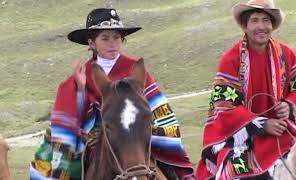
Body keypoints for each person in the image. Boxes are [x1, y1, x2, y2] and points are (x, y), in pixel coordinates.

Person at [30, 8, 195, 179]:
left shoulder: (135, 68)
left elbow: (157, 109)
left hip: (136, 133)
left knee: (170, 169)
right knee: (61, 162)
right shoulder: (83, 73)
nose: (112, 43)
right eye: (105, 38)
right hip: (98, 136)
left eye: (117, 37)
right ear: (92, 43)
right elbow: (71, 117)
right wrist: (79, 90)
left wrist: (150, 129)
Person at [196, 0, 296, 179]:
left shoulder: (286, 54)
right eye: (254, 20)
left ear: (272, 25)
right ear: (245, 26)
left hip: (281, 129)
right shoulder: (231, 61)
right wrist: (262, 124)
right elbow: (225, 108)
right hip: (240, 137)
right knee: (231, 171)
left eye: (265, 20)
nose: (261, 26)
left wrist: (289, 105)